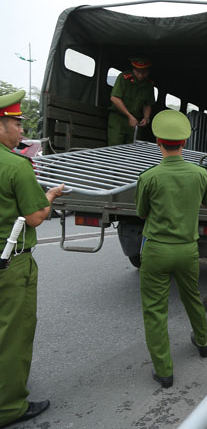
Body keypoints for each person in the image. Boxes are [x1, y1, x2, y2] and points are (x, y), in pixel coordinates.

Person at [135, 109, 207, 388]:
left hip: (157, 250)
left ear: (158, 140)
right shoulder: (199, 173)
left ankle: (164, 371)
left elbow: (142, 213)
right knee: (192, 297)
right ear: (184, 142)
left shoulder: (149, 176)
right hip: (187, 249)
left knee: (155, 310)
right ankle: (203, 343)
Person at [0, 90, 65, 427]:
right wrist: (50, 195)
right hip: (11, 263)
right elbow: (37, 216)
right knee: (14, 332)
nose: (21, 131)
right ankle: (9, 406)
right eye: (15, 123)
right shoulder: (16, 165)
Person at [107, 57, 155, 146]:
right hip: (118, 119)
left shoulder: (148, 85)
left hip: (135, 122)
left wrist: (146, 118)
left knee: (132, 149)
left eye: (143, 73)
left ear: (148, 71)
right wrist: (129, 116)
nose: (140, 75)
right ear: (133, 69)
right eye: (138, 72)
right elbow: (115, 98)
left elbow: (147, 104)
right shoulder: (124, 78)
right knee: (115, 149)